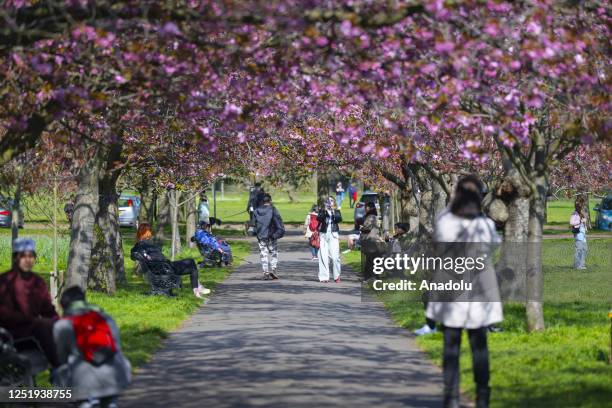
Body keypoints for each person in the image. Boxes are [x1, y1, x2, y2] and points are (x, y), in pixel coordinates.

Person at [425, 175, 502, 408]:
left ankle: (451, 397)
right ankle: (482, 396)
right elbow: (494, 243)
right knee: (479, 347)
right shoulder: (483, 223)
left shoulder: (445, 220)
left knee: (451, 347)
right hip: (478, 290)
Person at [53, 286, 131, 408]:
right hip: (116, 373)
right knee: (110, 402)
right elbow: (116, 347)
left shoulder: (63, 325)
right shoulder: (105, 318)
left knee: (58, 373)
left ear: (64, 306)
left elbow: (60, 358)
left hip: (82, 381)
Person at [0, 238, 60, 368]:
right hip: (10, 335)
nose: (28, 260)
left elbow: (48, 310)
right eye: (23, 256)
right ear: (16, 258)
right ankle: (60, 367)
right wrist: (33, 321)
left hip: (31, 332)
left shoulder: (38, 282)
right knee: (41, 328)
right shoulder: (5, 281)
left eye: (31, 256)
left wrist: (58, 322)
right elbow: (4, 315)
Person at [130, 223, 210, 297]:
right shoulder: (143, 245)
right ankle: (197, 289)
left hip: (164, 267)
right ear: (146, 232)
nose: (151, 232)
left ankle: (197, 289)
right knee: (191, 263)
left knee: (192, 265)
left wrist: (144, 256)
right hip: (165, 269)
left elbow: (134, 255)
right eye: (150, 230)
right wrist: (146, 256)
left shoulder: (142, 245)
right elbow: (136, 255)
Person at [254, 194, 285, 280]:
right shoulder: (273, 209)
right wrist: (278, 232)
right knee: (273, 252)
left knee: (263, 254)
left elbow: (253, 224)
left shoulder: (256, 211)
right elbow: (278, 220)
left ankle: (265, 272)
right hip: (271, 235)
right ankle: (273, 269)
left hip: (261, 236)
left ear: (262, 201)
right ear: (270, 201)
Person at [317, 197, 342, 283]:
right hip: (323, 235)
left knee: (335, 257)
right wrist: (324, 211)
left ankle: (337, 275)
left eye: (331, 201)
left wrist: (333, 212)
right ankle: (324, 277)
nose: (329, 202)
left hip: (333, 235)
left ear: (334, 202)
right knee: (323, 256)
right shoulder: (322, 211)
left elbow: (339, 219)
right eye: (328, 201)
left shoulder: (336, 211)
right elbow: (319, 218)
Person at [359, 202, 386, 283]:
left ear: (370, 208)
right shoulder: (373, 216)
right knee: (372, 260)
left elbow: (367, 227)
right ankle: (372, 277)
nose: (365, 209)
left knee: (370, 260)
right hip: (372, 240)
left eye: (366, 207)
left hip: (371, 240)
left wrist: (362, 228)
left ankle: (370, 277)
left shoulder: (371, 217)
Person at [570, 199, 588, 270]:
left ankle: (582, 264)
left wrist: (585, 224)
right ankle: (577, 265)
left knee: (585, 249)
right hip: (578, 234)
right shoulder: (574, 214)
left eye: (580, 206)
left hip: (583, 235)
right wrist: (579, 221)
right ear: (576, 206)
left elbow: (583, 223)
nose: (579, 208)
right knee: (579, 250)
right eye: (578, 206)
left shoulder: (581, 213)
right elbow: (571, 222)